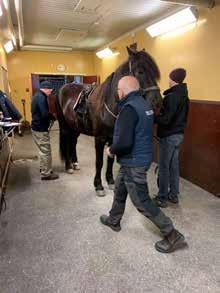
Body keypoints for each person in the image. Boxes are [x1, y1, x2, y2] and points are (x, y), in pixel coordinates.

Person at [100, 75, 186, 253]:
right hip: (136, 158)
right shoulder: (143, 104)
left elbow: (124, 142)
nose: (117, 93)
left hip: (134, 161)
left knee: (142, 201)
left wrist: (111, 150)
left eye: (118, 90)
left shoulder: (129, 109)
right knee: (120, 189)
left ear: (122, 90)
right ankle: (113, 220)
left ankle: (172, 234)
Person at [154, 68, 189, 208]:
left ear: (172, 79)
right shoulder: (185, 95)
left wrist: (153, 117)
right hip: (179, 135)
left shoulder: (172, 96)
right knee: (174, 167)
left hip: (168, 136)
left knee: (164, 167)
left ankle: (162, 198)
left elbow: (166, 119)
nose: (168, 80)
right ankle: (173, 195)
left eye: (169, 78)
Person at [31, 81, 59, 180]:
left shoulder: (36, 95)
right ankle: (46, 174)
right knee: (46, 151)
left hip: (36, 127)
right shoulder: (41, 98)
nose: (51, 92)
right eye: (50, 90)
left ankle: (44, 168)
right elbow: (44, 114)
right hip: (40, 129)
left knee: (42, 150)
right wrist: (53, 117)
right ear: (46, 88)